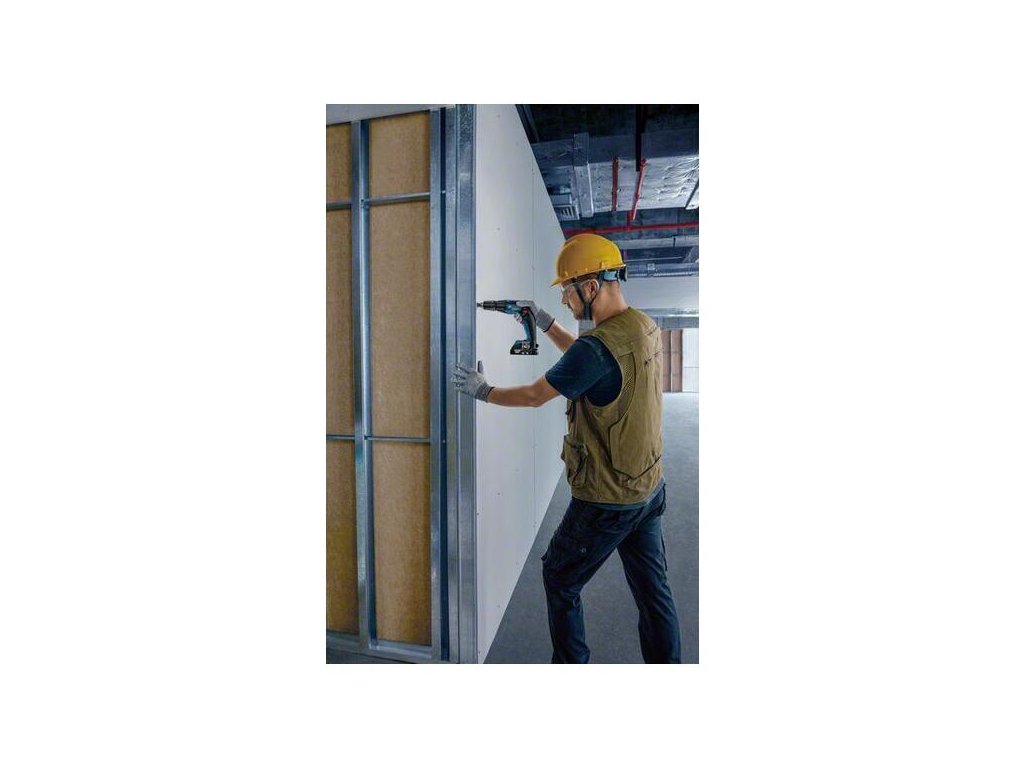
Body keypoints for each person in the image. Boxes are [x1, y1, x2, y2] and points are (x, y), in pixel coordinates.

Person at [453, 233, 682, 664]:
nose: (564, 300)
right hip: (648, 488)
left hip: (606, 500)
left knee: (559, 577)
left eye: (568, 290)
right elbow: (590, 360)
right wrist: (543, 323)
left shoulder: (596, 349)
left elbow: (534, 395)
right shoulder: (643, 326)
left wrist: (484, 390)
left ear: (591, 286)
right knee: (654, 592)